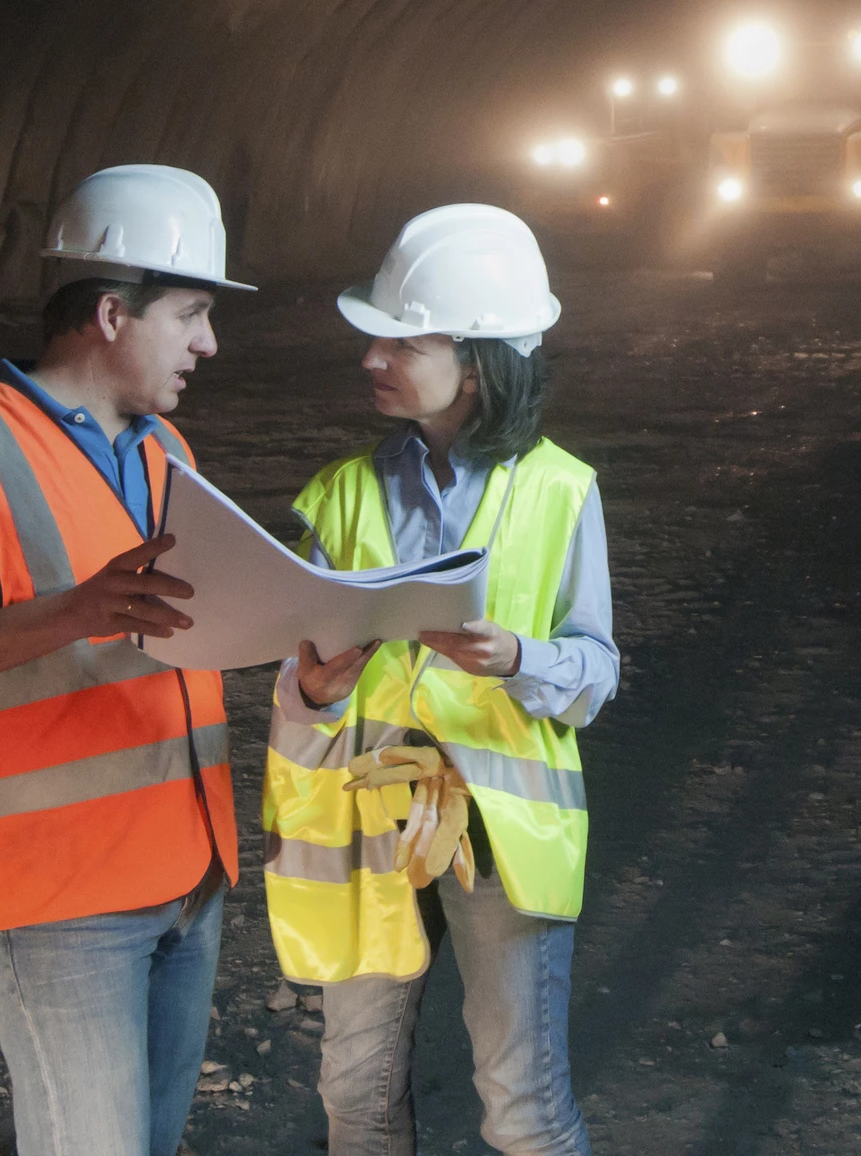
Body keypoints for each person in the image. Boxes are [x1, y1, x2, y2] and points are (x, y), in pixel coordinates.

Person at [0, 164, 255, 1156]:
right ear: (112, 313)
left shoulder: (168, 451)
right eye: (191, 313)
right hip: (56, 902)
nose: (208, 341)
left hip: (184, 872)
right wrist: (70, 611)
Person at [264, 204, 617, 1156]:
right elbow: (297, 681)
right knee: (355, 1093)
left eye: (397, 340)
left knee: (523, 1106)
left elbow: (595, 673)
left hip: (501, 834)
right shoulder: (340, 492)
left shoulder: (559, 490)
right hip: (365, 820)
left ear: (478, 359)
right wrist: (316, 694)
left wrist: (522, 661)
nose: (370, 359)